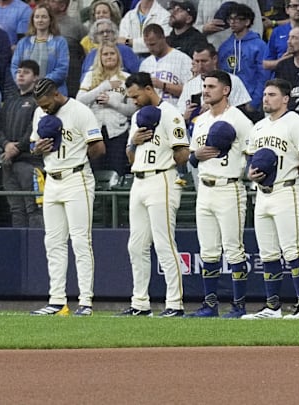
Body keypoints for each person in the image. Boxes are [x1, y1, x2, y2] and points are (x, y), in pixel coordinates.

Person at [242, 78, 299, 320]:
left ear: (285, 98)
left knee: (292, 250)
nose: (266, 98)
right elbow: (249, 161)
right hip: (263, 194)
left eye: (272, 94)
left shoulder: (295, 123)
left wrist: (290, 174)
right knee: (268, 253)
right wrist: (251, 173)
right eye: (265, 94)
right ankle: (272, 307)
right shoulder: (258, 127)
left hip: (288, 191)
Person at [28, 78, 106, 316]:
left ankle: (85, 302)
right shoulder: (39, 113)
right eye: (39, 105)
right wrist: (37, 150)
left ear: (55, 94)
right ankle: (57, 300)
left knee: (81, 241)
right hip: (51, 179)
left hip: (77, 178)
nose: (43, 109)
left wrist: (78, 158)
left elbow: (99, 148)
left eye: (45, 103)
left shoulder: (79, 111)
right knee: (53, 242)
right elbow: (33, 146)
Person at [117, 71, 189, 317]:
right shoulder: (138, 116)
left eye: (136, 95)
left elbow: (183, 154)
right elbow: (130, 156)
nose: (133, 101)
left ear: (149, 89)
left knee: (164, 242)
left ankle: (174, 303)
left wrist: (169, 151)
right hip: (139, 180)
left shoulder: (171, 114)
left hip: (162, 178)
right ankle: (140, 303)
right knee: (136, 245)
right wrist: (133, 142)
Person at [185, 70, 253, 318]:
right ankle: (210, 305)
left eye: (211, 86)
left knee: (233, 249)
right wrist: (196, 156)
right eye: (204, 86)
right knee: (208, 251)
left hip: (229, 186)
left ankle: (239, 306)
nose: (206, 90)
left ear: (225, 90)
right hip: (205, 188)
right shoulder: (201, 120)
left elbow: (252, 154)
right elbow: (192, 158)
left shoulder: (240, 120)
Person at [77, 42, 136, 175]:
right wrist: (103, 86)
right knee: (95, 172)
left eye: (112, 53)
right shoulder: (90, 76)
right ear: (100, 57)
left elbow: (132, 110)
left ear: (118, 56)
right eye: (105, 54)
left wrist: (112, 103)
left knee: (117, 171)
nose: (109, 57)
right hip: (94, 132)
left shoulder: (127, 78)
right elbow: (79, 101)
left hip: (118, 132)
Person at [0, 59, 43, 228]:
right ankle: (19, 252)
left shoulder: (39, 101)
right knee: (16, 209)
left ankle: (36, 250)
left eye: (26, 72)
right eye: (18, 72)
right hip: (9, 162)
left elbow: (36, 129)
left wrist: (17, 147)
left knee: (33, 209)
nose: (21, 75)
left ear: (36, 77)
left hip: (31, 163)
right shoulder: (9, 101)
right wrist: (6, 144)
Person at [178, 44, 251, 126]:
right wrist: (185, 117)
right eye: (197, 61)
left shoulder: (233, 80)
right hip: (197, 130)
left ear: (214, 59)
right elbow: (180, 112)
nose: (200, 66)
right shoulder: (189, 84)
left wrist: (215, 107)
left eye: (204, 61)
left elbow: (243, 110)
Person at [217, 2, 269, 114]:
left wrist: (255, 102)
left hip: (249, 103)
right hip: (228, 103)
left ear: (247, 22)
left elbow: (264, 76)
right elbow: (221, 75)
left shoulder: (259, 45)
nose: (232, 22)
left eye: (237, 19)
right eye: (230, 19)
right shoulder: (224, 47)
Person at [11, 5, 69, 96]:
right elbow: (15, 66)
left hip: (53, 93)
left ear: (50, 20)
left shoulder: (60, 42)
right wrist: (25, 82)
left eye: (44, 17)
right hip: (27, 93)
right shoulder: (23, 42)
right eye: (37, 17)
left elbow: (62, 68)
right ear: (32, 20)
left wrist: (41, 83)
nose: (40, 20)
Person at [139, 23, 193, 107]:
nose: (150, 48)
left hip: (175, 110)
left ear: (163, 38)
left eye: (153, 44)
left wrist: (164, 85)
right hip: (152, 112)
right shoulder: (145, 64)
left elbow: (191, 91)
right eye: (147, 45)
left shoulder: (182, 59)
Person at [46, 0, 87, 98]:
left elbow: (87, 51)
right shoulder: (41, 23)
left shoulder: (76, 27)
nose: (47, 3)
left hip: (70, 77)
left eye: (52, 1)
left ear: (62, 6)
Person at [194, 0, 263, 49]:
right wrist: (204, 28)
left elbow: (257, 26)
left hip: (240, 50)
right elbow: (196, 27)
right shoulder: (204, 1)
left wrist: (252, 47)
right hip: (212, 50)